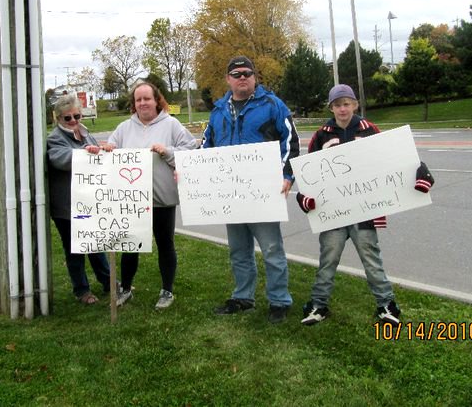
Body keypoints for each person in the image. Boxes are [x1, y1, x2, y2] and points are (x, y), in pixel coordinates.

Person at [295, 84, 435, 326]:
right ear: (331, 107)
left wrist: (423, 174)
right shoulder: (321, 135)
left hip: (365, 212)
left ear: (355, 104)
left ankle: (386, 305)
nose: (342, 109)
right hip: (333, 214)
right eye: (337, 105)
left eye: (346, 103)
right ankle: (318, 305)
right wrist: (304, 199)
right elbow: (308, 173)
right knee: (328, 259)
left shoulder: (370, 130)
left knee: (371, 259)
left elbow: (396, 158)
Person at [202, 55, 300, 324]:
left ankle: (279, 300)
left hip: (263, 193)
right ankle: (243, 296)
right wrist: (191, 172)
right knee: (239, 250)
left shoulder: (272, 105)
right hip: (230, 195)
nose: (242, 77)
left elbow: (290, 142)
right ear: (228, 79)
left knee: (271, 249)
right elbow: (205, 147)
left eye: (247, 73)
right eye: (236, 74)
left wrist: (287, 175)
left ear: (255, 77)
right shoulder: (218, 110)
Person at [107, 82, 198, 310]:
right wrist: (105, 150)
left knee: (165, 243)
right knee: (130, 245)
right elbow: (110, 149)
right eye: (138, 100)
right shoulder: (124, 128)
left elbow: (191, 151)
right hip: (133, 200)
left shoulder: (171, 125)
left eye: (147, 98)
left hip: (162, 198)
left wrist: (167, 152)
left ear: (157, 100)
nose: (143, 103)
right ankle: (126, 289)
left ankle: (167, 290)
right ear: (133, 104)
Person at [47, 94, 112, 305]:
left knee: (96, 245)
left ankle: (109, 283)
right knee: (75, 250)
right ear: (58, 119)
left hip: (89, 203)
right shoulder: (55, 138)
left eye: (76, 115)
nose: (73, 121)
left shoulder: (86, 134)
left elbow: (97, 158)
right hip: (66, 207)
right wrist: (86, 153)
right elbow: (60, 159)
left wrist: (102, 150)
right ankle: (82, 290)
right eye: (68, 118)